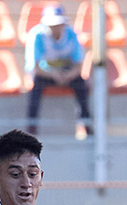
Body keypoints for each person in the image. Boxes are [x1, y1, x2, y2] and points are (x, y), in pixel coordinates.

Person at [24, 5, 91, 140]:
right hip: (45, 73)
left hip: (67, 73)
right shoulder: (37, 36)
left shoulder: (72, 35)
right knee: (35, 87)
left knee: (81, 85)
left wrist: (68, 74)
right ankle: (32, 127)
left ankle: (86, 124)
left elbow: (78, 65)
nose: (55, 28)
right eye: (52, 24)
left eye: (58, 24)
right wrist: (53, 74)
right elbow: (35, 67)